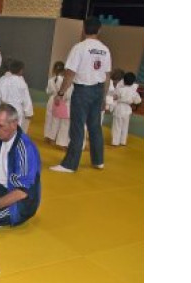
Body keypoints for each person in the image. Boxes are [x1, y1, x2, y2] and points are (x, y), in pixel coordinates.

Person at [49, 17, 112, 173]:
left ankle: (69, 164)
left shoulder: (79, 48)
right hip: (98, 90)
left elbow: (70, 73)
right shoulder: (105, 49)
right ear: (99, 30)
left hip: (83, 90)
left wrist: (61, 93)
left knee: (77, 127)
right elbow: (107, 75)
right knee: (95, 126)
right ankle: (98, 161)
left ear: (83, 29)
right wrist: (104, 96)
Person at [0, 104, 41, 226]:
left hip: (19, 203)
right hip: (0, 188)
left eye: (0, 126)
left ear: (14, 124)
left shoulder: (24, 149)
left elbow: (22, 192)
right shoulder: (0, 138)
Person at [0, 59, 34, 133]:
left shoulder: (3, 80)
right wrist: (29, 112)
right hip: (17, 109)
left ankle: (5, 143)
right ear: (21, 70)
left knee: (5, 128)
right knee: (15, 129)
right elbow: (26, 98)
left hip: (5, 108)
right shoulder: (21, 82)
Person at [45, 61, 74, 147]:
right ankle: (60, 141)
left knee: (51, 120)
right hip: (63, 102)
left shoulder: (51, 80)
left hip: (52, 100)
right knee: (62, 122)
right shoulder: (65, 81)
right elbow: (67, 94)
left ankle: (49, 136)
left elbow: (48, 91)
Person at [111, 72, 142, 146]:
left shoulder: (120, 90)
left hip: (119, 108)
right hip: (127, 109)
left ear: (123, 81)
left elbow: (114, 97)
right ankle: (123, 141)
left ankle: (115, 142)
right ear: (133, 82)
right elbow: (138, 101)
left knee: (117, 126)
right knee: (125, 126)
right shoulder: (133, 92)